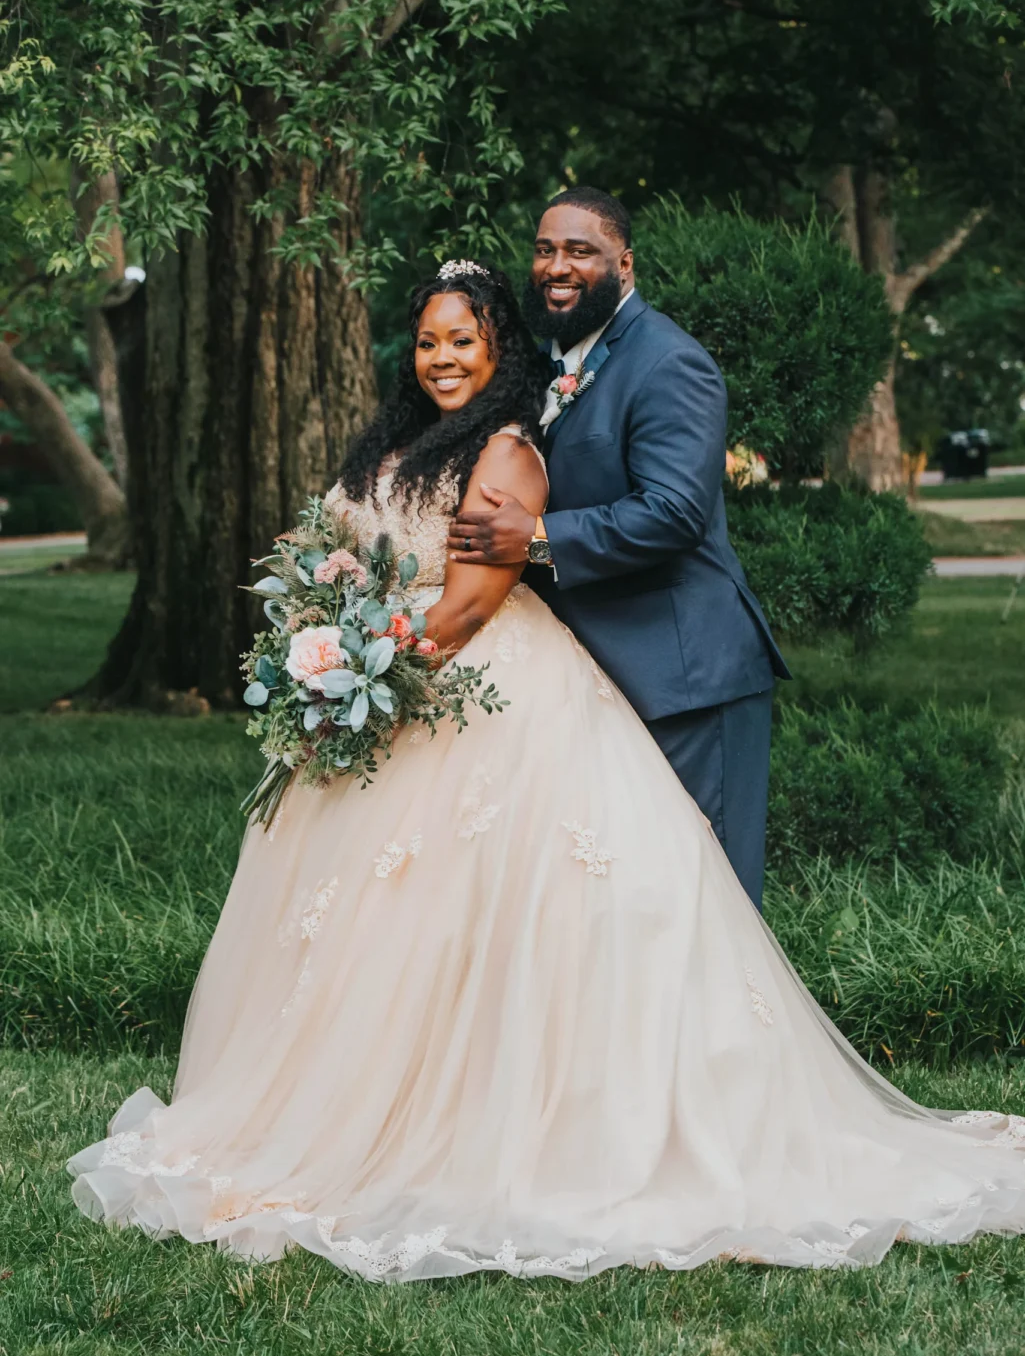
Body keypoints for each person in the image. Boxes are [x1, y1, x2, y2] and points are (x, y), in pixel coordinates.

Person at [70, 262, 1025, 1284]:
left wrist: (364, 671)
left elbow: (473, 600)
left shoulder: (505, 449)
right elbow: (347, 561)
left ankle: (508, 1131)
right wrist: (325, 650)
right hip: (387, 692)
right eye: (429, 341)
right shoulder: (388, 447)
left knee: (495, 912)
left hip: (480, 693)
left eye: (463, 341)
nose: (443, 358)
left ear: (498, 351)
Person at [448, 188, 788, 911]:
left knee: (706, 900)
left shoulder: (669, 363)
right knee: (632, 908)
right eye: (545, 250)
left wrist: (534, 543)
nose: (556, 266)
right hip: (601, 672)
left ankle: (721, 1032)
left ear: (623, 265)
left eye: (579, 250)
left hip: (687, 676)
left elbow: (672, 515)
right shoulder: (552, 363)